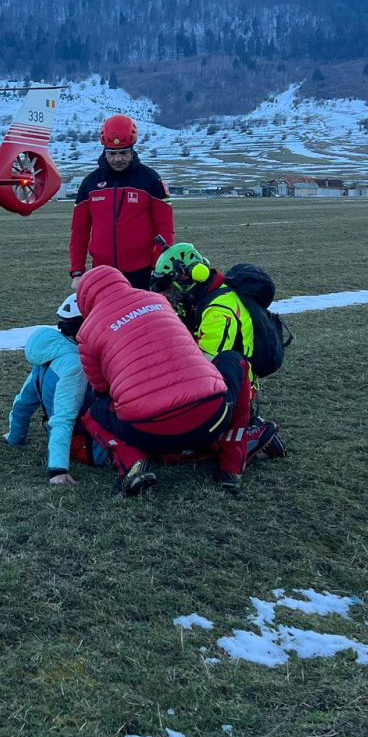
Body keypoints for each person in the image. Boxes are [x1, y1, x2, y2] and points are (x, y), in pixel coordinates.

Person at [73, 264, 270, 495]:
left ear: (84, 300)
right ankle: (232, 465)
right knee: (236, 361)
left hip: (148, 433)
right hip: (211, 415)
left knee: (94, 414)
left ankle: (132, 462)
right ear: (122, 281)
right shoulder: (157, 300)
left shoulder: (87, 331)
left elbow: (101, 389)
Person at [150, 244, 288, 457]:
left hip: (232, 390)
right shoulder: (206, 300)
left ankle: (249, 433)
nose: (166, 294)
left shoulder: (218, 311)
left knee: (181, 440)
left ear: (188, 279)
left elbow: (205, 369)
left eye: (169, 287)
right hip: (230, 383)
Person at [4, 293, 109, 486]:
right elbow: (63, 418)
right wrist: (58, 470)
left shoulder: (49, 352)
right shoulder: (75, 365)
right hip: (89, 443)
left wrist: (15, 437)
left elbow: (23, 403)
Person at [69, 115, 175, 291]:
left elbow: (165, 229)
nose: (118, 159)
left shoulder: (151, 180)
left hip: (143, 273)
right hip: (103, 273)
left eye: (123, 153)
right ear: (104, 152)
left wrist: (159, 268)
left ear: (132, 151)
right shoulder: (90, 183)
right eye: (112, 154)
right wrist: (77, 272)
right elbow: (79, 232)